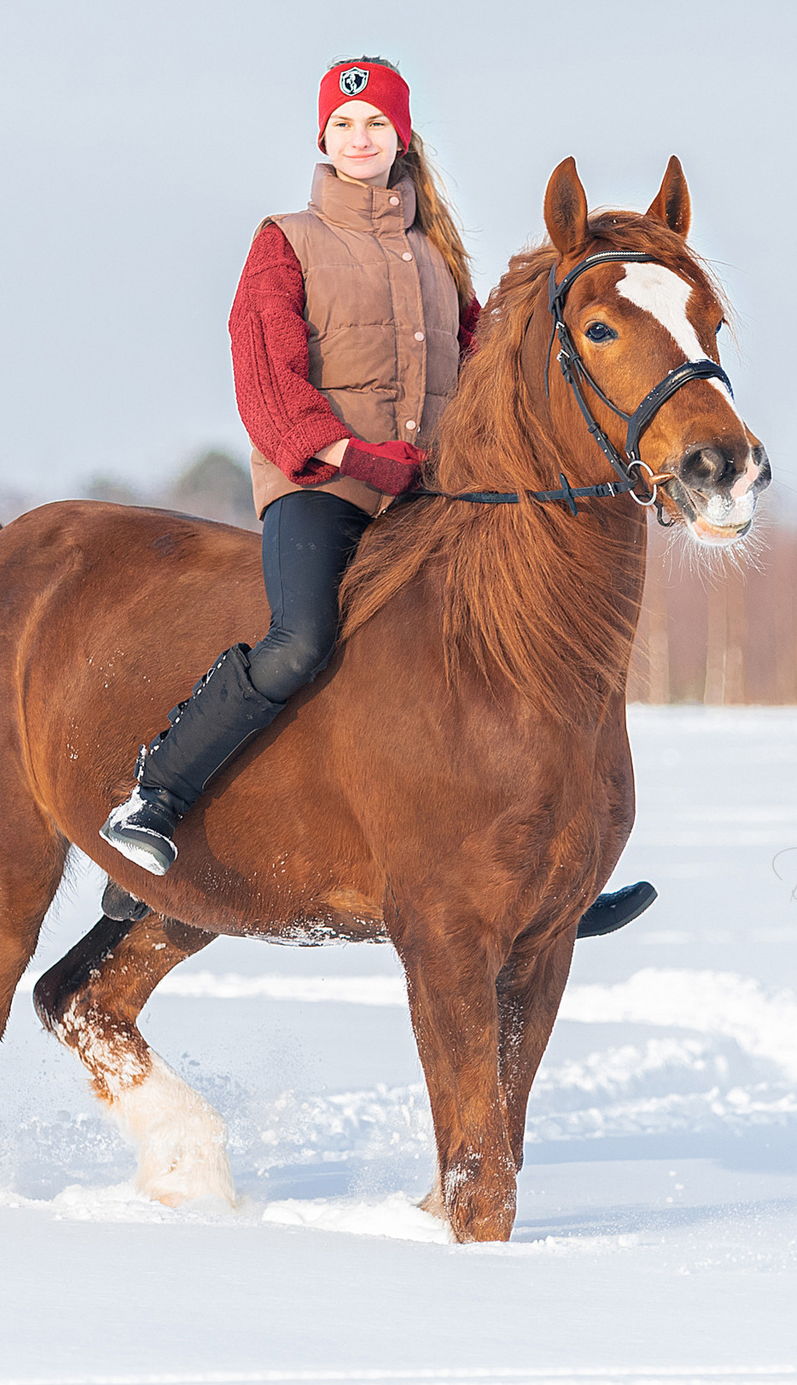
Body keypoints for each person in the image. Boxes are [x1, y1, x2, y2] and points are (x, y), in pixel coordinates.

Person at [98, 58, 656, 941]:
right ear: (324, 139)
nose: (362, 140)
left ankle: (547, 869)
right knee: (300, 641)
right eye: (346, 126)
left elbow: (486, 370)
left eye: (378, 126)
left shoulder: (438, 256)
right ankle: (158, 796)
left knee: (515, 654)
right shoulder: (286, 240)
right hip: (324, 483)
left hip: (430, 493)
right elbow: (265, 375)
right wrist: (345, 451)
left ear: (402, 139)